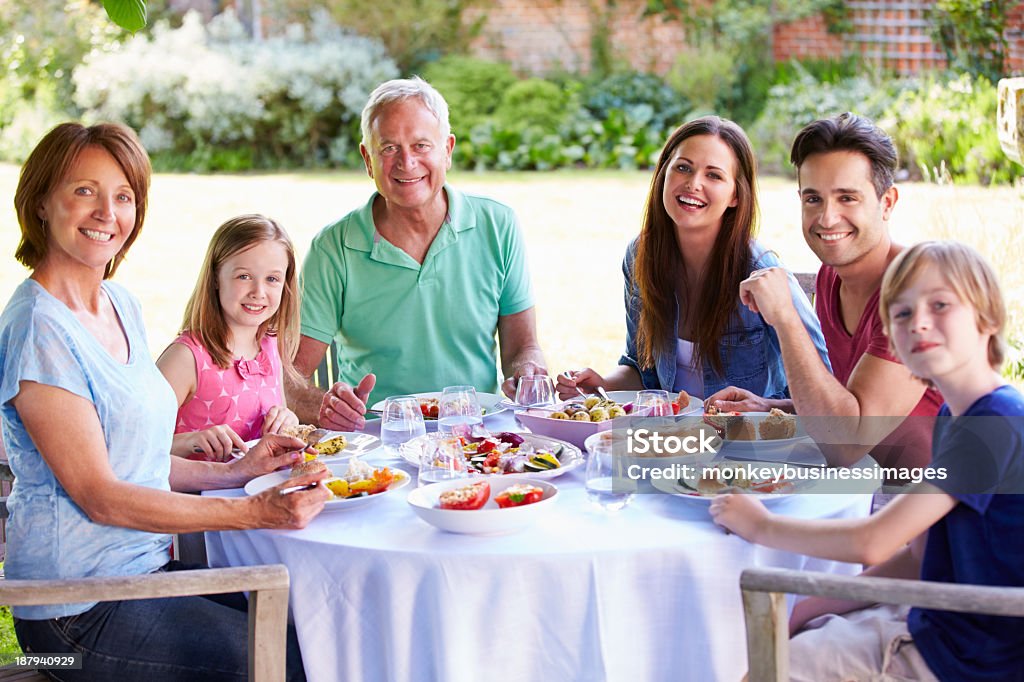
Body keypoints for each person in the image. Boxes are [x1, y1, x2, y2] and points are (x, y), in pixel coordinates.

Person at [0, 122, 329, 680]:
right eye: (84, 191)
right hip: (72, 615)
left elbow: (136, 461)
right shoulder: (39, 328)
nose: (107, 212)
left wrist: (236, 472)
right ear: (40, 202)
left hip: (143, 575)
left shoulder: (119, 304)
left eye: (123, 196)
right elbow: (101, 496)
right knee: (298, 664)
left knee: (323, 635)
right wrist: (252, 510)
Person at [710, 240, 1024, 681]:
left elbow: (874, 542)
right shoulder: (962, 415)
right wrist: (809, 608)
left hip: (972, 657)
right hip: (938, 622)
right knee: (774, 646)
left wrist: (761, 526)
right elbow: (918, 557)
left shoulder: (996, 425)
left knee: (772, 668)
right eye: (902, 314)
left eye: (940, 305)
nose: (919, 323)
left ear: (987, 319)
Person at [285, 77, 547, 431]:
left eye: (422, 145)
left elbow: (522, 348)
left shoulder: (497, 224)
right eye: (389, 148)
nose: (406, 162)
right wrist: (326, 406)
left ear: (448, 150)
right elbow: (287, 377)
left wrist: (528, 371)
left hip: (479, 434)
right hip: (378, 442)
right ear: (367, 158)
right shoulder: (333, 247)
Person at [706, 113, 943, 474]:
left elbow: (846, 444)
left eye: (847, 198)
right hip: (877, 489)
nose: (827, 218)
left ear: (887, 203)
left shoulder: (917, 291)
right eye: (813, 199)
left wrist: (785, 317)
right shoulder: (831, 276)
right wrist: (774, 408)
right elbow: (849, 407)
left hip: (951, 508)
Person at [556, 116, 829, 401]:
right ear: (663, 174)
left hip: (749, 442)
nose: (693, 184)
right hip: (672, 440)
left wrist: (764, 407)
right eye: (683, 168)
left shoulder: (761, 270)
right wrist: (602, 385)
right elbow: (643, 369)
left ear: (735, 195)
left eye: (714, 175)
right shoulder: (641, 255)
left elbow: (822, 388)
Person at [157, 214, 301, 461]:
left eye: (272, 279)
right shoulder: (186, 358)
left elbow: (279, 415)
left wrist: (289, 420)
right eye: (244, 276)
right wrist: (190, 442)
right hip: (199, 496)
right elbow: (133, 445)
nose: (259, 292)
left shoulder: (270, 347)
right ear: (215, 278)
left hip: (260, 492)